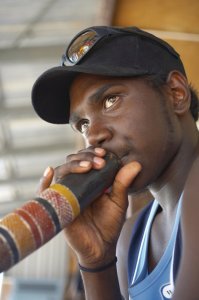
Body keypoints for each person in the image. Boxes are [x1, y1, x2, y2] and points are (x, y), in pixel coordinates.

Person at [32, 26, 199, 300]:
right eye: (82, 123)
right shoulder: (132, 237)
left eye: (111, 101)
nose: (94, 135)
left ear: (175, 93)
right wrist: (96, 261)